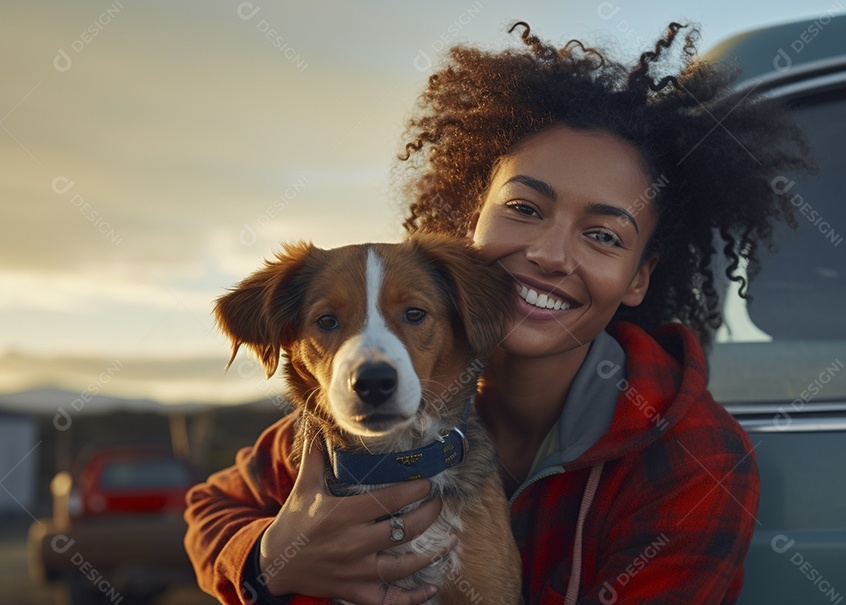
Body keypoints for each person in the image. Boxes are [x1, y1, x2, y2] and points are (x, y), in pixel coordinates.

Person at [184, 21, 809, 605]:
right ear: (468, 220)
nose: (548, 254)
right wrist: (266, 560)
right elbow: (210, 511)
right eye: (526, 209)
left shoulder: (694, 458)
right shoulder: (353, 418)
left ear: (640, 276)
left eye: (604, 235)